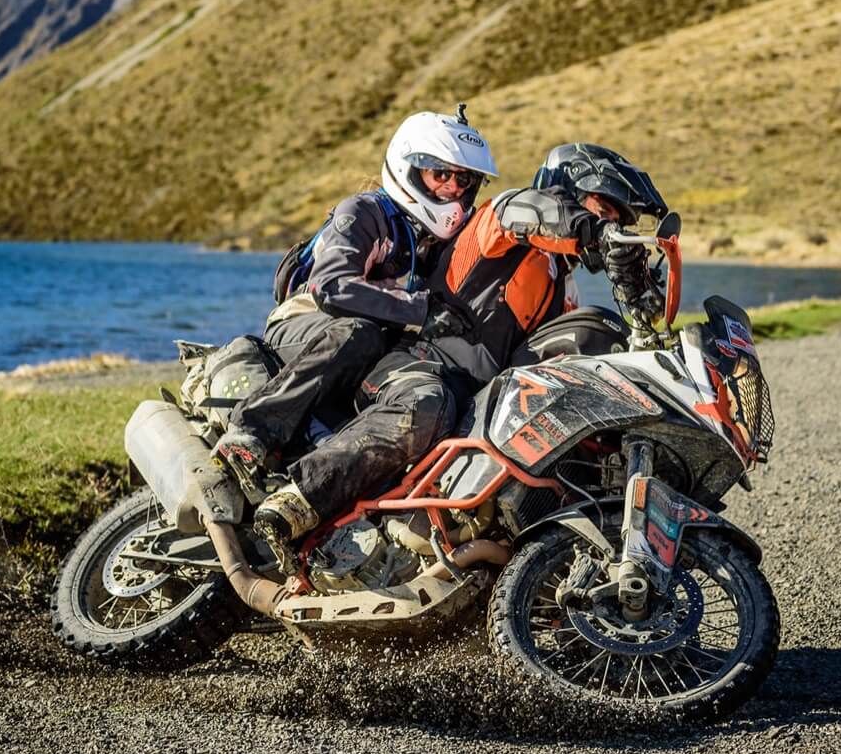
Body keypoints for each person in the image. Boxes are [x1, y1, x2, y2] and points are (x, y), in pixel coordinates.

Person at [253, 143, 666, 559]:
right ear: (568, 191)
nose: (612, 222)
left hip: (479, 404)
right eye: (603, 208)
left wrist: (642, 300)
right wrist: (591, 229)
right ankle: (299, 499)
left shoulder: (564, 290)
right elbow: (534, 211)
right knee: (425, 405)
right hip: (416, 365)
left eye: (619, 219)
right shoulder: (500, 219)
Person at [213, 105, 498, 481]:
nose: (453, 189)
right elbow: (332, 287)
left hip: (368, 347)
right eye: (441, 174)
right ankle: (251, 429)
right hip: (305, 324)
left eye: (465, 180)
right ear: (409, 167)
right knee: (360, 333)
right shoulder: (364, 212)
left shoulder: (438, 241)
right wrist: (423, 310)